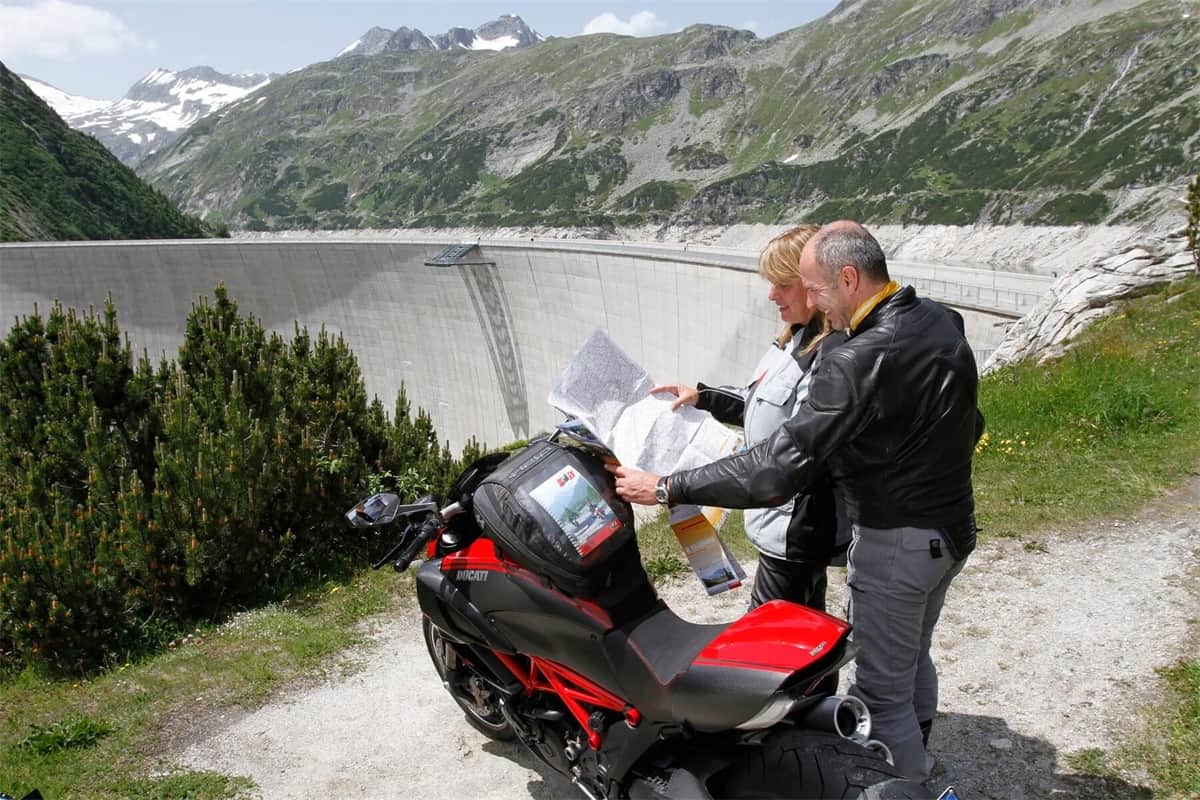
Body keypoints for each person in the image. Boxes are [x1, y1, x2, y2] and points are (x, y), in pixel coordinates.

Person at [609, 220, 979, 782]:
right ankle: (922, 755)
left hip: (898, 541)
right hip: (949, 529)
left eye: (816, 289)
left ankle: (907, 787)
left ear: (849, 278)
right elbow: (970, 423)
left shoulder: (856, 359)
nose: (810, 301)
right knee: (911, 657)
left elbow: (779, 468)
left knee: (881, 695)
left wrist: (665, 487)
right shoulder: (936, 320)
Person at [651, 225, 847, 615]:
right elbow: (761, 404)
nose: (772, 294)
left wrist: (669, 487)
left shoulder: (829, 358)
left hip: (794, 530)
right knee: (807, 634)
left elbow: (796, 450)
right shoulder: (794, 341)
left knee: (772, 646)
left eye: (782, 284)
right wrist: (703, 397)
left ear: (812, 285)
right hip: (778, 523)